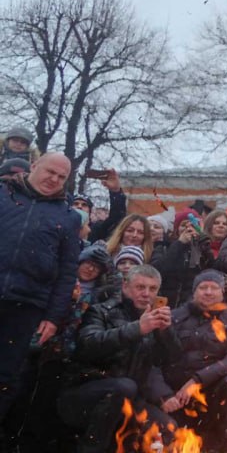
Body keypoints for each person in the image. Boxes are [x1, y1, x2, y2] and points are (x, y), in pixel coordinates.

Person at [59, 265, 179, 452]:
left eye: (152, 289)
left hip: (128, 400)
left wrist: (166, 333)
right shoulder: (100, 311)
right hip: (85, 395)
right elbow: (88, 345)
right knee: (123, 387)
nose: (146, 294)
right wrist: (137, 329)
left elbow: (170, 360)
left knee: (168, 427)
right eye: (140, 287)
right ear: (125, 287)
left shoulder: (153, 320)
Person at [0, 152, 79, 424]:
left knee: (7, 376)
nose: (53, 179)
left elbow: (68, 273)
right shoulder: (3, 195)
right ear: (33, 166)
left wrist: (53, 317)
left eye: (61, 177)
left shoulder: (69, 217)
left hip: (27, 307)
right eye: (50, 172)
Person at [158, 270, 227, 452]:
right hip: (175, 391)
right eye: (203, 287)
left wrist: (197, 380)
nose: (208, 292)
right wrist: (164, 394)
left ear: (222, 293)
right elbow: (158, 356)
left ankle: (216, 439)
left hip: (211, 388)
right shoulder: (175, 316)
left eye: (214, 288)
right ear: (194, 292)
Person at [153, 208, 216, 306]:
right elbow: (158, 270)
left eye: (192, 225)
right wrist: (180, 243)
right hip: (168, 304)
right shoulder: (163, 247)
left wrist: (203, 244)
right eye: (183, 225)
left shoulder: (201, 249)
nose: (188, 228)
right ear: (177, 229)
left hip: (194, 305)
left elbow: (212, 269)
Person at [85, 169, 128, 244]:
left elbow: (116, 218)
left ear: (90, 210)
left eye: (84, 205)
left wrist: (116, 193)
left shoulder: (96, 229)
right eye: (76, 204)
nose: (79, 206)